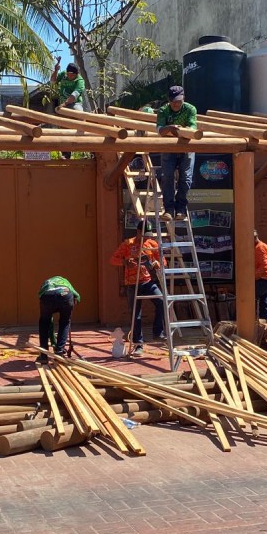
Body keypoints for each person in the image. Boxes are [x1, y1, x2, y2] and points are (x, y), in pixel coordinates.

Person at [109, 220, 166, 355]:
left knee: (162, 301)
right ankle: (138, 344)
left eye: (148, 235)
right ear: (138, 232)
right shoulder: (128, 244)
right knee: (136, 315)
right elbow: (112, 259)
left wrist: (159, 263)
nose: (147, 237)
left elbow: (163, 260)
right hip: (132, 284)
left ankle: (158, 332)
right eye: (144, 234)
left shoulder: (152, 244)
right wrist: (124, 262)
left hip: (148, 282)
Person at [157, 85, 198, 221]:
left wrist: (183, 131)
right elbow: (160, 131)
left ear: (183, 99)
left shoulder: (190, 109)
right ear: (169, 100)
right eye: (173, 101)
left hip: (186, 148)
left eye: (179, 101)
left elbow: (193, 127)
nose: (176, 104)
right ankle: (168, 209)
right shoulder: (163, 110)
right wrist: (169, 127)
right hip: (169, 148)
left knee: (186, 178)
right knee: (167, 177)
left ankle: (180, 208)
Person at [36, 276, 81, 364]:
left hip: (47, 296)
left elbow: (50, 322)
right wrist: (71, 305)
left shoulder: (46, 283)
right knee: (65, 322)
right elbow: (77, 296)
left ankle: (43, 355)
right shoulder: (66, 282)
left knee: (44, 323)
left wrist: (53, 341)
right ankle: (59, 352)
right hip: (65, 295)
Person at [51, 59, 86, 159]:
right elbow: (53, 81)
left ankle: (82, 142)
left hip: (74, 103)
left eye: (72, 75)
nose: (70, 77)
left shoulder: (80, 81)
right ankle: (66, 153)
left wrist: (65, 104)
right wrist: (56, 71)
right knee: (63, 127)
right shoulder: (63, 75)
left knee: (81, 116)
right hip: (63, 104)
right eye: (69, 74)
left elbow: (74, 95)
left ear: (76, 74)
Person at [254, 229, 267, 322]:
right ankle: (266, 323)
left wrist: (252, 277)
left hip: (262, 280)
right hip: (265, 280)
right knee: (263, 304)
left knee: (249, 299)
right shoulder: (261, 246)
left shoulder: (259, 248)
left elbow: (264, 267)